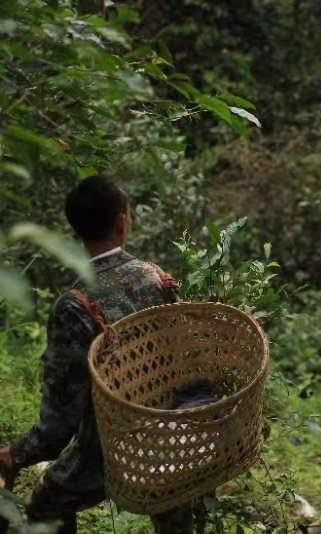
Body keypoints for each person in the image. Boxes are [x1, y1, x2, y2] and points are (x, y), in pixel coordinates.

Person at [0, 175, 192, 533]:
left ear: (76, 231)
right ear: (123, 223)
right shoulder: (157, 279)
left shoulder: (73, 306)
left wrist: (16, 455)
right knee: (175, 499)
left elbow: (59, 425)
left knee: (46, 504)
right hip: (172, 440)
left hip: (107, 452)